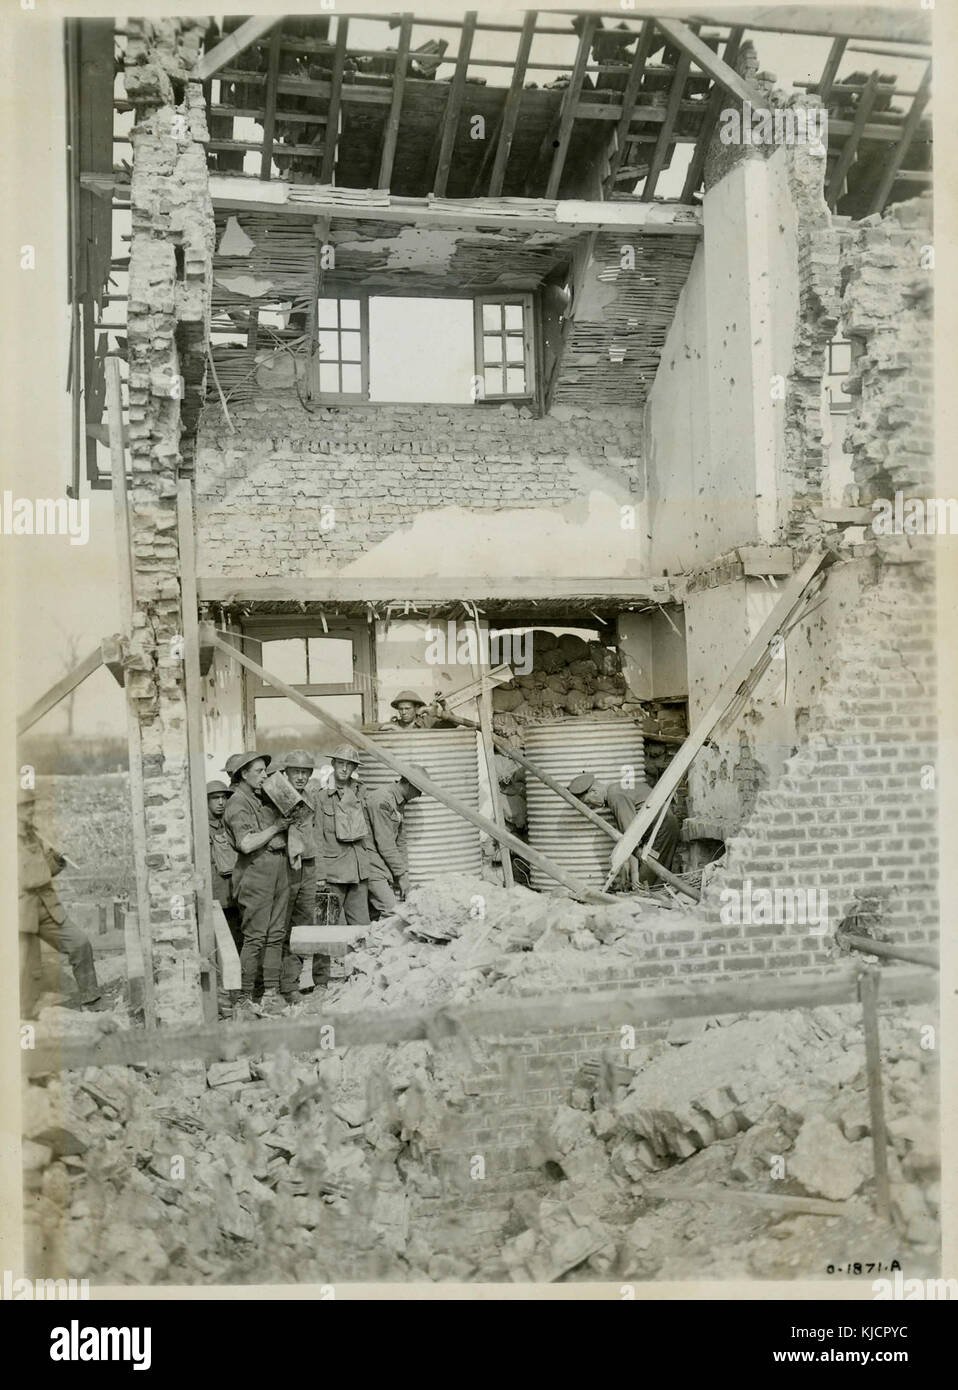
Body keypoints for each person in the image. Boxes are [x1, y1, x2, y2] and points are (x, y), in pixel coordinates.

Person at [17, 787, 106, 1017]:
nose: (30, 811)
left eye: (31, 805)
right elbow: (27, 878)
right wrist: (43, 869)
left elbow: (42, 872)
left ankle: (90, 999)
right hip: (19, 910)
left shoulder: (32, 836)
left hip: (47, 907)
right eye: (23, 806)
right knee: (24, 967)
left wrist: (55, 860)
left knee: (80, 943)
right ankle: (21, 1017)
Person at [223, 752, 292, 1018]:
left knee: (275, 935)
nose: (265, 775)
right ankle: (243, 998)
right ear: (243, 774)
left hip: (276, 868)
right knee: (254, 938)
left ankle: (271, 993)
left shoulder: (258, 797)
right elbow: (247, 843)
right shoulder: (237, 804)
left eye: (265, 771)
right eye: (260, 771)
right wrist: (276, 828)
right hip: (254, 873)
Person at [567, 772, 680, 888]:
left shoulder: (615, 796)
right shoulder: (615, 790)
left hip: (661, 829)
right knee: (649, 877)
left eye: (588, 802)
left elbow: (631, 838)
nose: (590, 807)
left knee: (644, 881)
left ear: (594, 792)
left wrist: (634, 873)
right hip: (657, 828)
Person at [275, 749, 320, 1003]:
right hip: (286, 867)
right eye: (296, 772)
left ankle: (293, 983)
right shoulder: (277, 797)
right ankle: (280, 985)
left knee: (303, 926)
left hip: (309, 866)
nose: (301, 777)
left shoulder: (311, 798)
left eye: (305, 772)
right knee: (282, 925)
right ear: (286, 773)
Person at [314, 744, 371, 927]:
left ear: (354, 768)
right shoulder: (321, 797)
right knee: (328, 927)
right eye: (340, 763)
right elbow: (317, 838)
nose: (344, 768)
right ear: (333, 763)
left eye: (349, 764)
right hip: (332, 875)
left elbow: (368, 832)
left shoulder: (361, 793)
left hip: (358, 872)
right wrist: (320, 874)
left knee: (362, 929)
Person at [363, 765, 428, 917]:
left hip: (384, 866)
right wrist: (401, 876)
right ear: (409, 783)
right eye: (419, 790)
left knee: (376, 916)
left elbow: (400, 841)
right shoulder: (382, 800)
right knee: (392, 912)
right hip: (372, 866)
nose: (419, 795)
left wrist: (403, 874)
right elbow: (385, 844)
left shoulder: (398, 802)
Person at [383, 689, 455, 730]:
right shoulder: (395, 723)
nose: (404, 712)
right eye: (401, 709)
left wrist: (444, 704)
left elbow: (453, 724)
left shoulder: (427, 722)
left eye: (407, 709)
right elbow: (373, 727)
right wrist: (392, 727)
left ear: (416, 708)